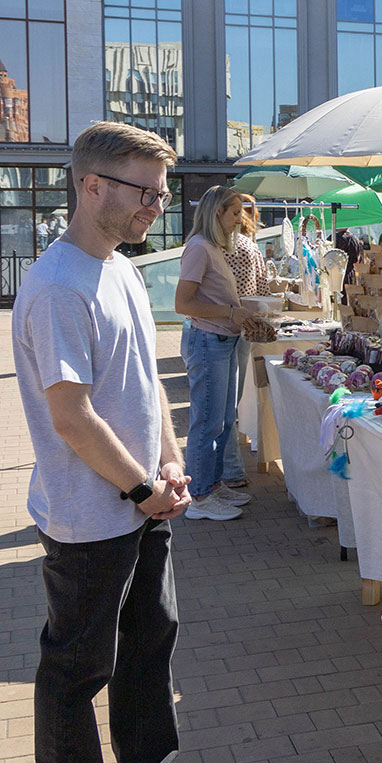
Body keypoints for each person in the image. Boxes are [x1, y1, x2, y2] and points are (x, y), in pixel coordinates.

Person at [11, 121, 233, 763]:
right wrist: (142, 486)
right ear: (91, 185)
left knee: (150, 644)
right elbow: (72, 417)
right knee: (78, 664)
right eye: (145, 192)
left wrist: (170, 466)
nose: (156, 208)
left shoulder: (124, 273)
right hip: (88, 513)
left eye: (162, 194)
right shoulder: (56, 286)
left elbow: (141, 390)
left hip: (144, 502)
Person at [175, 187, 257, 521]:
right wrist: (229, 312)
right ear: (217, 213)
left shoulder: (214, 246)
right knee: (207, 422)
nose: (241, 219)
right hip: (209, 342)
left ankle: (212, 485)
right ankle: (199, 497)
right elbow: (183, 304)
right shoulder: (199, 248)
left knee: (223, 421)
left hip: (223, 342)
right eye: (235, 212)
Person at [220, 195, 265, 491]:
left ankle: (228, 468)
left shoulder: (217, 246)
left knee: (222, 407)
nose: (240, 216)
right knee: (226, 406)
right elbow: (262, 287)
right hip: (237, 327)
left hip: (221, 328)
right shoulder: (244, 246)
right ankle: (229, 469)